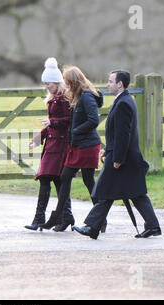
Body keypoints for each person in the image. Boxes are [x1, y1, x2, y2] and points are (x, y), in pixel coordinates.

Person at [73, 70, 162, 239]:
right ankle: (153, 226)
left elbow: (124, 134)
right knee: (134, 193)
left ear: (119, 84)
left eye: (110, 81)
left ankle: (92, 227)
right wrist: (108, 149)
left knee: (106, 191)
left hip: (123, 159)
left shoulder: (123, 103)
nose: (108, 84)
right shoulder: (123, 100)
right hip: (121, 155)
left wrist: (118, 158)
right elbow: (118, 133)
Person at [39, 66, 104, 232]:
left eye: (67, 83)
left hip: (88, 145)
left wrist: (75, 131)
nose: (65, 86)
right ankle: (59, 215)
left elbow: (93, 120)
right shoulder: (78, 96)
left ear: (74, 82)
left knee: (87, 181)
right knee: (66, 177)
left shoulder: (87, 97)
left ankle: (99, 216)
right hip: (78, 145)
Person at [25, 57, 72, 231]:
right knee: (54, 180)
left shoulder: (63, 98)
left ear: (57, 82)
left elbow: (68, 120)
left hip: (60, 145)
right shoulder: (53, 99)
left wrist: (52, 123)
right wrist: (38, 138)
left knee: (49, 179)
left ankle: (43, 219)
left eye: (49, 84)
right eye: (45, 84)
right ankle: (65, 216)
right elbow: (51, 123)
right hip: (52, 144)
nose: (47, 87)